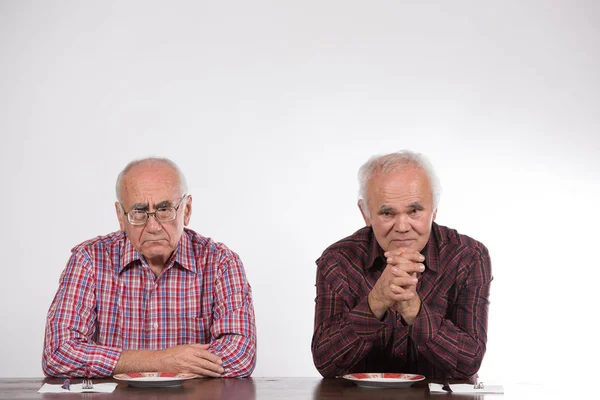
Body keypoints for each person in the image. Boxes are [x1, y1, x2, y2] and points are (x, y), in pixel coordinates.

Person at [42, 157, 256, 378]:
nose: (153, 226)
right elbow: (58, 353)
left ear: (187, 209)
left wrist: (125, 363)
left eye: (165, 209)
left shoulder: (221, 263)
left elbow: (240, 355)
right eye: (139, 212)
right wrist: (165, 360)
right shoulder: (89, 260)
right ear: (121, 217)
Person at [311, 150, 492, 380]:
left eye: (414, 211)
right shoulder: (338, 260)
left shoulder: (468, 256)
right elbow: (326, 364)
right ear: (365, 213)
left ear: (434, 209)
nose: (403, 226)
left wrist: (413, 310)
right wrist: (376, 302)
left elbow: (469, 362)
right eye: (387, 213)